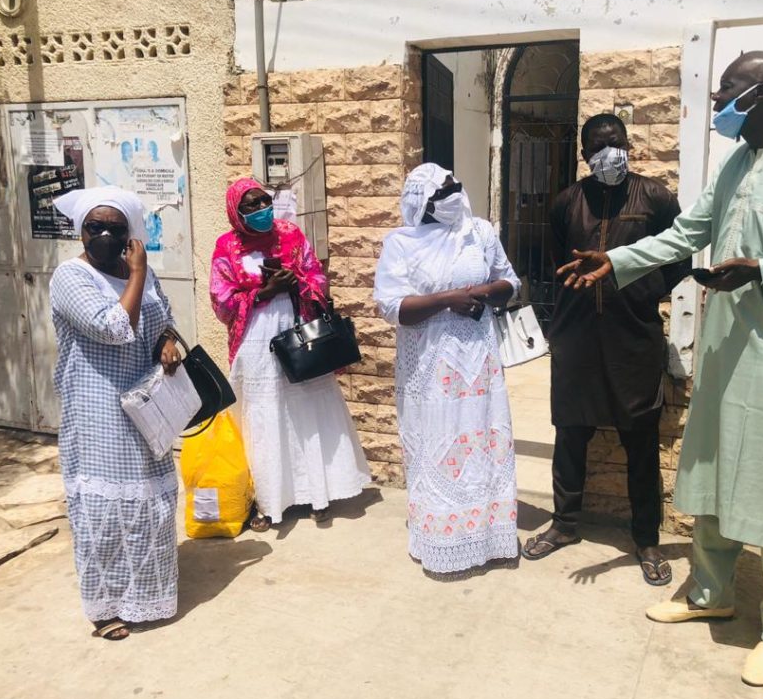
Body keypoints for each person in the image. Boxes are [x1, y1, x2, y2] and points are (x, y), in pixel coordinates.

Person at [558, 51, 763, 686]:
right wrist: (618, 261)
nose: (716, 99)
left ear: (762, 93)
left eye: (728, 87)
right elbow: (687, 233)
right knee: (712, 472)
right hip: (727, 349)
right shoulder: (737, 162)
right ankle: (710, 591)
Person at [522, 114, 690, 586]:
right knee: (570, 433)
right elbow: (558, 261)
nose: (609, 152)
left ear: (629, 145)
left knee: (640, 440)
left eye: (616, 142)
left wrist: (640, 291)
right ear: (584, 154)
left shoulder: (655, 197)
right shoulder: (566, 202)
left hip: (633, 338)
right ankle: (564, 523)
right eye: (598, 146)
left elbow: (680, 258)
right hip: (576, 337)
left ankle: (646, 538)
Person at [373, 163, 521, 578]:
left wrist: (483, 293)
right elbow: (392, 307)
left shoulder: (480, 232)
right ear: (424, 203)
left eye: (456, 186)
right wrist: (447, 299)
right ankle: (440, 540)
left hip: (479, 363)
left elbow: (510, 282)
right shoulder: (401, 243)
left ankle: (491, 536)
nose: (454, 195)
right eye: (443, 192)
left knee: (484, 440)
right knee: (438, 447)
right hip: (429, 366)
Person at [49, 186, 183, 641]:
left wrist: (167, 341)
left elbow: (163, 317)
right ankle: (105, 609)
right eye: (95, 226)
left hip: (147, 407)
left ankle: (146, 596)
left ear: (130, 233)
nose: (105, 235)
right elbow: (111, 328)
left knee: (150, 504)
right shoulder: (71, 277)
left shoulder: (139, 272)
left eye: (115, 228)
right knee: (105, 512)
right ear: (81, 231)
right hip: (99, 411)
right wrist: (138, 273)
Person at [210, 177, 370, 531]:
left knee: (306, 411)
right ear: (236, 211)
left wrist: (295, 281)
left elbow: (318, 277)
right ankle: (268, 501)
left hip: (300, 333)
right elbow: (221, 301)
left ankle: (317, 495)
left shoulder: (291, 235)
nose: (260, 209)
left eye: (264, 201)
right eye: (251, 205)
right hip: (256, 337)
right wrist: (264, 291)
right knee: (264, 414)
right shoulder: (226, 247)